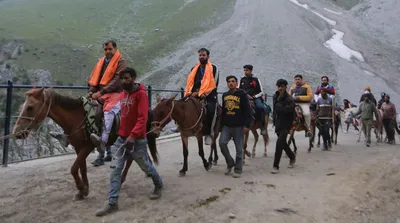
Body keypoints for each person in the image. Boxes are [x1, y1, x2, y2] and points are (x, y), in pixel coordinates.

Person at [95, 67, 163, 217]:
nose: (124, 81)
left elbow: (142, 118)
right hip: (122, 138)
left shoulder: (141, 95)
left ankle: (158, 183)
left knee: (146, 166)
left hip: (137, 139)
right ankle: (113, 202)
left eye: (126, 78)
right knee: (115, 169)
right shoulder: (124, 93)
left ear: (133, 78)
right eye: (122, 79)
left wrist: (132, 136)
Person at [50, 40, 127, 166]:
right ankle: (67, 136)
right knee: (82, 106)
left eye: (110, 49)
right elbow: (95, 79)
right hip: (100, 93)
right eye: (105, 49)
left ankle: (103, 144)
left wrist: (101, 92)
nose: (107, 51)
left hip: (115, 93)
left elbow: (117, 80)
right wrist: (91, 91)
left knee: (103, 113)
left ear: (115, 49)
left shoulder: (121, 62)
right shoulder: (102, 62)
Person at [184, 48, 219, 145]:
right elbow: (191, 83)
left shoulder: (214, 68)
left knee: (212, 110)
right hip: (195, 94)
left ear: (208, 56)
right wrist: (192, 92)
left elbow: (214, 83)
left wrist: (202, 93)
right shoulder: (194, 69)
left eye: (203, 55)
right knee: (182, 104)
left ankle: (209, 133)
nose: (201, 57)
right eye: (200, 55)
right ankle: (182, 126)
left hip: (209, 95)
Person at [219, 75, 252, 178]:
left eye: (233, 81)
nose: (231, 83)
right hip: (227, 125)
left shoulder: (242, 95)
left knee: (239, 148)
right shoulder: (224, 95)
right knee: (222, 143)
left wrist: (247, 124)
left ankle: (238, 168)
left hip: (238, 126)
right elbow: (223, 111)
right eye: (229, 81)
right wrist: (221, 125)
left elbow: (247, 110)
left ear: (236, 83)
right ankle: (230, 162)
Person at [272, 79, 296, 174]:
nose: (280, 88)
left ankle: (275, 166)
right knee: (283, 143)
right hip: (278, 124)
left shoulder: (289, 99)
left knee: (279, 144)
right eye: (279, 86)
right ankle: (292, 156)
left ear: (286, 87)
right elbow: (275, 110)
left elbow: (287, 111)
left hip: (286, 124)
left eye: (282, 86)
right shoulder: (275, 96)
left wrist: (279, 103)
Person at [239, 64, 267, 135]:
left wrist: (254, 97)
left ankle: (263, 126)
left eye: (247, 70)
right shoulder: (242, 80)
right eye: (244, 70)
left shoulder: (256, 79)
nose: (245, 72)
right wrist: (244, 95)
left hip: (255, 98)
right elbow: (240, 90)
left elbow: (261, 91)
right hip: (245, 98)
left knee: (261, 107)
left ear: (251, 71)